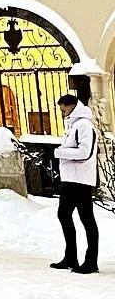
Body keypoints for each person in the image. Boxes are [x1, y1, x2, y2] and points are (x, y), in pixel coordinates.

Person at [52, 90, 99, 275]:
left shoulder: (83, 125)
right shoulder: (73, 126)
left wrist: (59, 152)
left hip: (80, 180)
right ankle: (71, 257)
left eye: (63, 110)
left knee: (85, 219)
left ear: (72, 107)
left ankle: (90, 261)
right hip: (71, 179)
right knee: (65, 215)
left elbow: (84, 153)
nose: (62, 113)